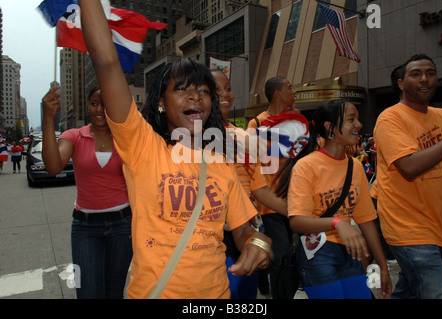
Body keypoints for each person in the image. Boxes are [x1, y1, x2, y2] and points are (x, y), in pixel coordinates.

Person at [78, 0, 272, 299]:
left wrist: (258, 244)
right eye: (182, 88)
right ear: (160, 102)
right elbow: (106, 61)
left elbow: (242, 230)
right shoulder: (142, 145)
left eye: (204, 90)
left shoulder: (221, 162)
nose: (196, 96)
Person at [274, 99, 392, 299]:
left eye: (358, 119)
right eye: (351, 120)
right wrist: (337, 223)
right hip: (318, 253)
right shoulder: (306, 166)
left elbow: (366, 220)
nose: (359, 125)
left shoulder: (355, 166)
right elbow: (297, 221)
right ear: (330, 127)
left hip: (351, 252)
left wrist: (382, 266)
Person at [41, 86, 132, 299]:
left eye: (105, 103)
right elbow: (53, 167)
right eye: (94, 103)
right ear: (87, 105)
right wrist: (48, 119)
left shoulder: (126, 138)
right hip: (85, 228)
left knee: (114, 293)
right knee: (87, 293)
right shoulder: (73, 136)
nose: (99, 109)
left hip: (123, 226)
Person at [373, 54, 442, 299]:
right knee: (436, 293)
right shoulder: (390, 118)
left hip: (439, 223)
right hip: (408, 227)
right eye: (415, 74)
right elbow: (409, 166)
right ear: (402, 83)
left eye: (431, 72)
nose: (425, 79)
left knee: (409, 290)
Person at [211, 69, 287, 298]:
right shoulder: (191, 138)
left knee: (244, 297)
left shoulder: (244, 138)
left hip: (247, 229)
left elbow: (259, 188)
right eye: (216, 90)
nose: (225, 94)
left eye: (228, 88)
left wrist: (299, 212)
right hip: (212, 234)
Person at [246, 76, 297, 298]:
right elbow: (248, 163)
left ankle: (264, 275)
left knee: (291, 254)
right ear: (277, 94)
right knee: (282, 253)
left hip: (295, 200)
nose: (294, 91)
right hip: (269, 202)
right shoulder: (256, 124)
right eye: (290, 88)